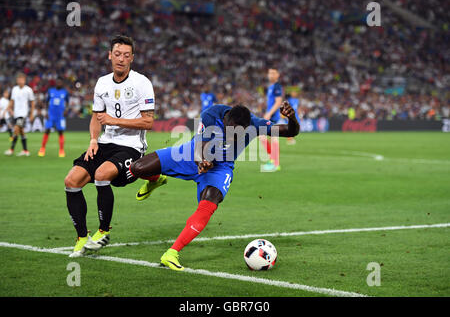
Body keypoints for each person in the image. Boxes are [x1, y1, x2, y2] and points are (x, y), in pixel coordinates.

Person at [130, 101, 299, 271]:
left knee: (209, 203)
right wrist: (201, 162)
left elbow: (290, 131)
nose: (233, 137)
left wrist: (292, 118)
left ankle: (172, 253)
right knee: (136, 168)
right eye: (230, 131)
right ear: (226, 120)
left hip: (220, 168)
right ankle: (155, 180)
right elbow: (199, 148)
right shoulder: (212, 115)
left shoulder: (255, 124)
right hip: (191, 155)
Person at [63, 35, 157, 257]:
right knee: (71, 181)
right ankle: (81, 237)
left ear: (132, 58)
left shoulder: (141, 83)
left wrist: (115, 121)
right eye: (117, 54)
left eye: (126, 55)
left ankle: (103, 231)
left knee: (102, 174)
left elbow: (148, 121)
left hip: (132, 146)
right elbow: (97, 117)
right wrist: (93, 140)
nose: (121, 59)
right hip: (104, 143)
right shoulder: (102, 82)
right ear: (109, 55)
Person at [4, 73, 35, 157]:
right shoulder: (14, 89)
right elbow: (12, 101)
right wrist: (6, 110)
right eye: (19, 79)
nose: (20, 81)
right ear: (17, 80)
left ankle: (11, 149)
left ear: (24, 80)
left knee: (16, 129)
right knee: (21, 132)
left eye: (22, 79)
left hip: (23, 113)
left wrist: (32, 114)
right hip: (16, 113)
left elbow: (32, 102)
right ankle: (25, 150)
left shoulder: (28, 90)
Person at [38, 79, 70, 157]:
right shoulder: (50, 91)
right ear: (56, 83)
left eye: (60, 82)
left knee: (60, 132)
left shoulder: (65, 92)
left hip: (60, 116)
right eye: (58, 82)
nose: (59, 83)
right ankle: (42, 148)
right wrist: (45, 112)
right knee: (47, 130)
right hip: (51, 115)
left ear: (62, 83)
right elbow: (46, 102)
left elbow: (67, 102)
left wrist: (66, 110)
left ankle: (61, 150)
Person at [260, 68, 283, 172]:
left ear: (278, 75)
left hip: (273, 117)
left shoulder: (277, 86)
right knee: (262, 136)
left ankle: (275, 164)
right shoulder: (271, 87)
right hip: (270, 116)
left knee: (273, 138)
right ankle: (272, 160)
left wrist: (269, 113)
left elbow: (278, 102)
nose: (271, 75)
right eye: (269, 73)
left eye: (273, 73)